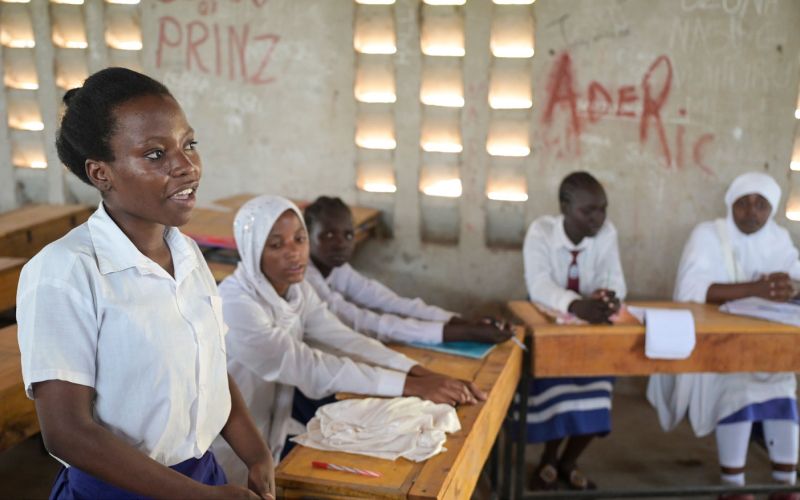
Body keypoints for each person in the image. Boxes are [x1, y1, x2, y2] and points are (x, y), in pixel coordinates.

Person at [16, 67, 274, 499]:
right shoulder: (65, 271)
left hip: (200, 473)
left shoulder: (187, 252)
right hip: (117, 489)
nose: (187, 166)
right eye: (156, 155)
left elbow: (206, 364)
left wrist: (256, 454)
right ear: (101, 174)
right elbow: (66, 433)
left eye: (188, 144)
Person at [213, 195, 486, 484]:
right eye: (276, 245)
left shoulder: (296, 290)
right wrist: (412, 386)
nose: (294, 253)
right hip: (229, 439)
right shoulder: (236, 304)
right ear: (252, 250)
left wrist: (419, 371)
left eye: (299, 239)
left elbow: (344, 338)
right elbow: (309, 366)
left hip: (269, 429)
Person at [648, 172, 800, 500]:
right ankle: (733, 486)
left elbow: (796, 273)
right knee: (739, 389)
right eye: (743, 203)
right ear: (730, 204)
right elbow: (691, 290)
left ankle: (785, 484)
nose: (751, 212)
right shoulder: (708, 235)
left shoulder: (778, 238)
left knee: (783, 385)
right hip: (717, 348)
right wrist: (756, 289)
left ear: (771, 209)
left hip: (763, 344)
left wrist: (791, 288)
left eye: (761, 205)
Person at [521, 171, 627, 490]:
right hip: (550, 325)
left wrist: (607, 296)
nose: (598, 217)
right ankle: (550, 458)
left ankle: (568, 460)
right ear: (565, 207)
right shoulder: (541, 231)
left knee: (598, 386)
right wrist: (574, 305)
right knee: (557, 384)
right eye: (588, 210)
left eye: (602, 208)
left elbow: (615, 278)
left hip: (591, 327)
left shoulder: (606, 233)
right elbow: (538, 284)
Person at [303, 196, 512, 345]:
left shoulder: (337, 268)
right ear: (305, 237)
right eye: (328, 236)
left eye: (348, 235)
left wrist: (460, 320)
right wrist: (466, 332)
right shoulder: (306, 278)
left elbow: (389, 301)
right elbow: (360, 321)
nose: (341, 244)